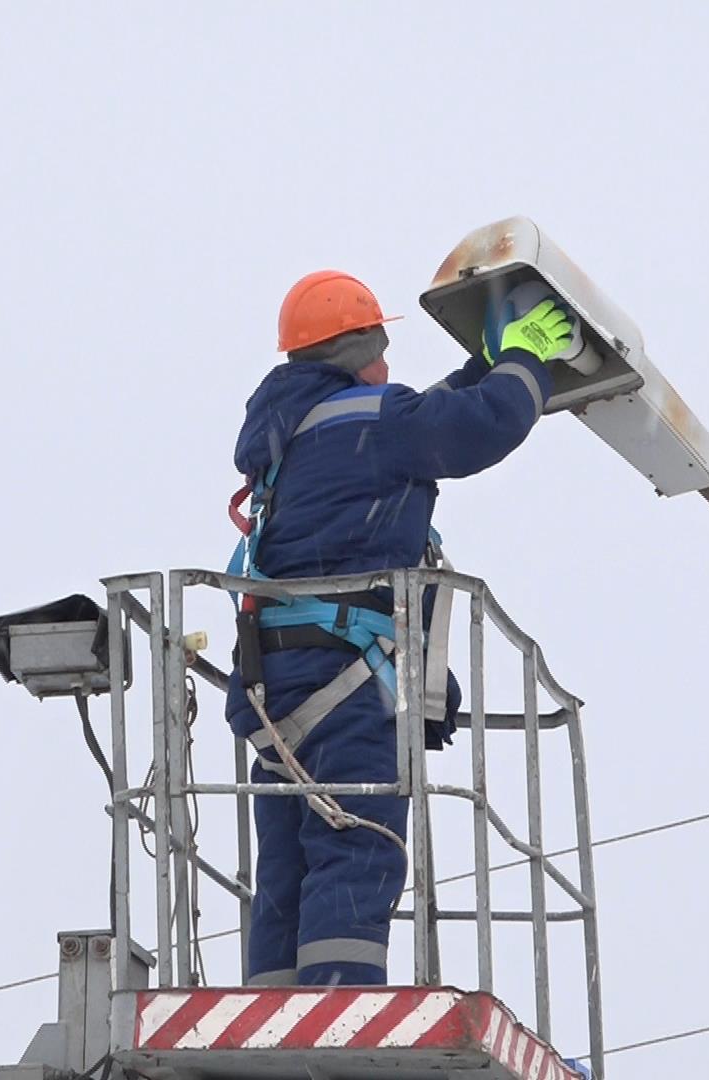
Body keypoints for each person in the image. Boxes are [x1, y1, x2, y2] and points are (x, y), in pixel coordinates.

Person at [225, 268, 574, 986]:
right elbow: (475, 429)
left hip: (276, 684)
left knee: (290, 861)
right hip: (341, 683)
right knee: (358, 846)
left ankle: (268, 1020)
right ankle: (337, 1014)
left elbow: (419, 419)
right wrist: (528, 362)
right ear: (362, 354)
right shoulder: (370, 423)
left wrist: (487, 363)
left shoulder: (294, 431)